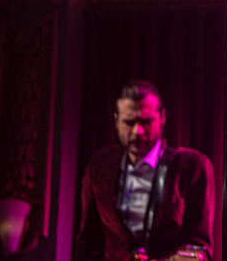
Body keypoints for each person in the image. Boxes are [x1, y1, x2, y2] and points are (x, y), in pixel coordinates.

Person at [74, 80, 215, 261]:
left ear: (162, 118)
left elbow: (199, 247)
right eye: (129, 122)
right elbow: (87, 243)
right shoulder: (99, 166)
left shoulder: (193, 167)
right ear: (116, 121)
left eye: (145, 121)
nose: (137, 131)